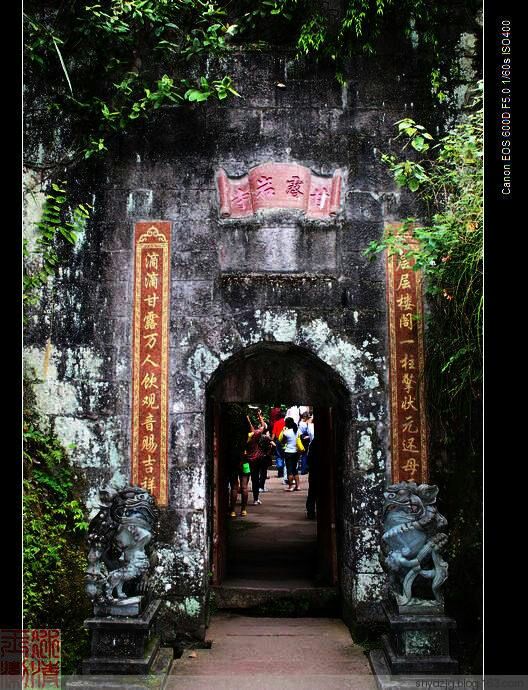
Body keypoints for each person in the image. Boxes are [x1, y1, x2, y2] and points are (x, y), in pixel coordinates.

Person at [245, 409, 268, 505]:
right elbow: (263, 426)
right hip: (257, 459)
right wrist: (259, 416)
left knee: (245, 480)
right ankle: (255, 499)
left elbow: (251, 429)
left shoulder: (245, 437)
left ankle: (243, 499)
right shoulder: (255, 435)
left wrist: (247, 419)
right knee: (255, 479)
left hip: (247, 460)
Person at [279, 416, 304, 491]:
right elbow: (301, 440)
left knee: (289, 470)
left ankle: (290, 487)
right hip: (296, 452)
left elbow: (283, 442)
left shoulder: (286, 432)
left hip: (288, 452)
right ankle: (298, 486)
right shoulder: (297, 430)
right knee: (295, 469)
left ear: (286, 424)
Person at [305, 437, 319, 519]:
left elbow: (309, 457)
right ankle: (311, 511)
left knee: (312, 492)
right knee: (313, 492)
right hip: (316, 470)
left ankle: (310, 511)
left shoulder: (314, 442)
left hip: (314, 470)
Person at [271, 411, 286, 479]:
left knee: (279, 456)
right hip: (286, 441)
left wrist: (271, 440)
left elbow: (273, 433)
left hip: (278, 441)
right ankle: (285, 472)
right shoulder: (287, 423)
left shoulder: (276, 423)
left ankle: (280, 472)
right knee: (285, 456)